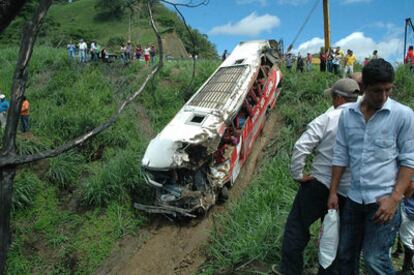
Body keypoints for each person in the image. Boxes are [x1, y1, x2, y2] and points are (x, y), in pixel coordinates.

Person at [328, 58, 414, 274]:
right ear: (364, 88)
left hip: (383, 201)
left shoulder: (403, 115)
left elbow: (409, 160)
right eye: (377, 91)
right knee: (346, 256)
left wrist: (395, 199)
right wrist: (333, 192)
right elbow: (340, 154)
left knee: (375, 259)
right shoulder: (348, 115)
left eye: (388, 90)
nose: (383, 97)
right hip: (354, 199)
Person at [275, 78, 359, 275]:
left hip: (319, 184)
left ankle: (290, 270)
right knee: (334, 236)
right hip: (346, 192)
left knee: (297, 227)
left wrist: (298, 174)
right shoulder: (364, 120)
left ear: (338, 98)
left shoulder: (326, 119)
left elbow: (301, 147)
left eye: (332, 97)